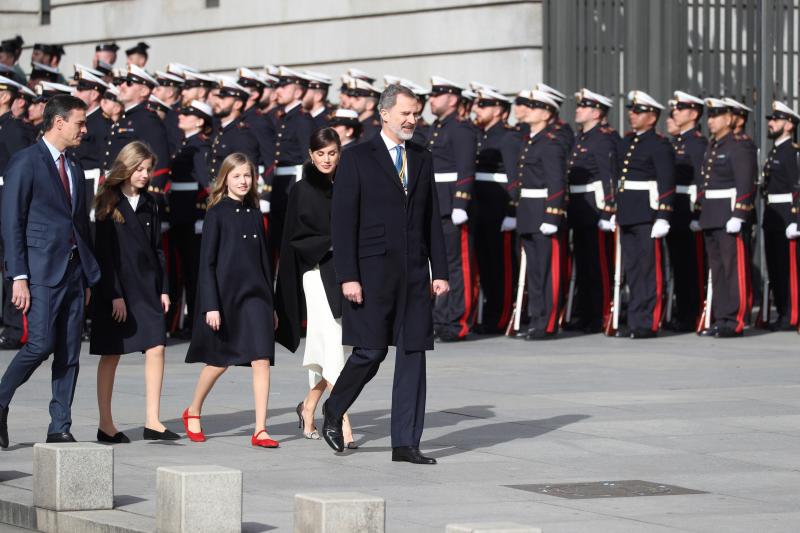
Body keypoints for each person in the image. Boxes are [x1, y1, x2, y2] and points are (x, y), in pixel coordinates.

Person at [322, 83, 449, 464]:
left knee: (413, 354)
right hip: (371, 273)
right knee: (371, 351)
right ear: (385, 114)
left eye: (416, 114)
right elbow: (343, 223)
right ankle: (334, 409)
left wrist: (438, 271)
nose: (413, 120)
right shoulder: (359, 157)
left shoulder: (423, 158)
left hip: (413, 274)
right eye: (406, 113)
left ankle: (406, 443)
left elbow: (431, 220)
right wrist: (348, 276)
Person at [0, 95, 100, 447]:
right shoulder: (25, 162)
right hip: (40, 271)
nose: (84, 130)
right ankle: (0, 399)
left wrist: (88, 273)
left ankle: (60, 425)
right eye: (80, 123)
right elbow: (12, 222)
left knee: (70, 351)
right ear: (58, 123)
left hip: (73, 271)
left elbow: (79, 224)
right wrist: (19, 276)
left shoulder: (73, 167)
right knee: (40, 344)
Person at [183, 153, 278, 448]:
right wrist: (211, 305)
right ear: (225, 179)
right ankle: (194, 410)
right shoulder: (217, 212)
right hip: (226, 298)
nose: (243, 181)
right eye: (237, 176)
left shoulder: (254, 212)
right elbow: (207, 263)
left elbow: (263, 261)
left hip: (257, 298)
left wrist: (271, 305)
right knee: (219, 361)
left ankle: (260, 429)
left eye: (247, 176)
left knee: (261, 359)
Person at [89, 141, 177, 443]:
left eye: (148, 169)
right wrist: (114, 294)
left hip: (147, 287)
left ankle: (153, 420)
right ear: (126, 167)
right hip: (116, 288)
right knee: (111, 354)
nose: (144, 174)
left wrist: (164, 288)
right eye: (139, 168)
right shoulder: (107, 200)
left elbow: (157, 250)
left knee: (156, 347)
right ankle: (106, 423)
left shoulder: (152, 202)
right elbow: (104, 253)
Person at [275, 128, 356, 448]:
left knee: (345, 350)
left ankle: (309, 405)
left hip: (348, 276)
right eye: (320, 153)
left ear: (339, 153)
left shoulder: (348, 186)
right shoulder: (300, 190)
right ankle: (341, 420)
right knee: (334, 344)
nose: (326, 159)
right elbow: (294, 239)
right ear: (310, 155)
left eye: (332, 153)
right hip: (317, 274)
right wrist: (333, 244)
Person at [616, 91, 675, 338]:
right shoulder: (627, 141)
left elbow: (666, 180)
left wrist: (663, 215)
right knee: (632, 269)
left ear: (652, 117)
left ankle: (648, 322)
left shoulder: (658, 144)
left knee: (648, 270)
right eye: (631, 110)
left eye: (638, 111)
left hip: (647, 214)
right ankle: (634, 320)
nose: (632, 114)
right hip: (628, 212)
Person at [511, 90, 569, 340]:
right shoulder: (531, 140)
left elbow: (557, 182)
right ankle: (536, 319)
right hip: (528, 212)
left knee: (548, 272)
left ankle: (547, 323)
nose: (528, 110)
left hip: (544, 214)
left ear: (546, 113)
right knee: (534, 272)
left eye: (534, 107)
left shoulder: (550, 142)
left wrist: (552, 216)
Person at [427, 76, 478, 342]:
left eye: (437, 95)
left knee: (458, 268)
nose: (431, 100)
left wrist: (461, 202)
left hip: (452, 206)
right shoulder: (437, 127)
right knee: (440, 268)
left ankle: (459, 321)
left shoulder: (461, 128)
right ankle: (440, 318)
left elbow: (466, 167)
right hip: (436, 204)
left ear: (453, 99)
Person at [564, 89, 619, 334]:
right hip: (578, 206)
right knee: (584, 265)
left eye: (583, 107)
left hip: (596, 208)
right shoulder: (582, 137)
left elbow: (609, 176)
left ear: (597, 112)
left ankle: (602, 314)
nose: (578, 110)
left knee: (599, 265)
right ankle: (585, 313)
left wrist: (609, 210)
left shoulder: (603, 138)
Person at [471, 88, 520, 334]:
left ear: (499, 110)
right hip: (480, 209)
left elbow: (514, 179)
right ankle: (489, 314)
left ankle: (501, 317)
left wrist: (512, 211)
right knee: (486, 266)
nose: (476, 109)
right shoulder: (481, 135)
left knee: (500, 267)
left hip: (499, 212)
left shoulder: (508, 137)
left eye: (484, 105)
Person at [165, 100, 213, 338]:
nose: (181, 117)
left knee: (194, 274)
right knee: (183, 272)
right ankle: (185, 322)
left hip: (193, 220)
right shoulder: (186, 145)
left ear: (199, 121)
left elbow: (208, 187)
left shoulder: (200, 147)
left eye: (187, 114)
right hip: (180, 218)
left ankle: (196, 325)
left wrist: (202, 217)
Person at [665, 91, 708, 332]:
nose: (675, 113)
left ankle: (694, 314)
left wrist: (698, 213)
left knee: (692, 266)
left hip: (689, 210)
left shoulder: (697, 143)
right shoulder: (678, 141)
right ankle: (683, 311)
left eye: (680, 109)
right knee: (679, 265)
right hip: (676, 209)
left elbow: (703, 180)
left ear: (693, 114)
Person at [762, 101, 799, 330]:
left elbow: (797, 187)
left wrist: (796, 219)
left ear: (789, 125)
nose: (771, 123)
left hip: (787, 216)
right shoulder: (776, 150)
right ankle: (783, 312)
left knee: (788, 270)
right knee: (776, 269)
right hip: (773, 216)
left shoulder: (792, 153)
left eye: (776, 119)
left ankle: (791, 314)